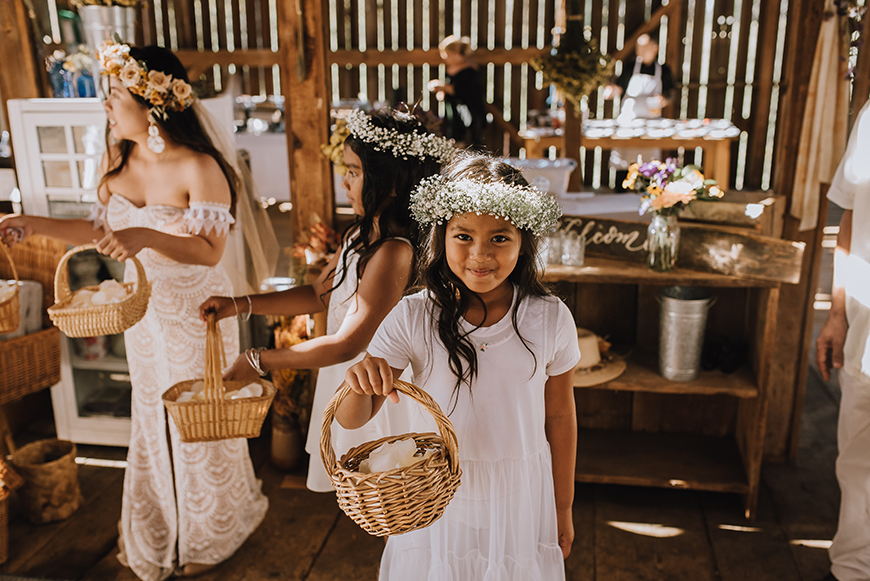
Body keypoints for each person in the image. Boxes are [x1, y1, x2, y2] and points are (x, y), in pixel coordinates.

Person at [0, 42, 269, 580]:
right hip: (144, 312)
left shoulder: (200, 165)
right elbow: (102, 233)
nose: (106, 105)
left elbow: (209, 251)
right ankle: (161, 531)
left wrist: (145, 233)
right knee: (152, 418)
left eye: (115, 95)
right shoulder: (115, 159)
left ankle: (213, 531)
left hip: (200, 313)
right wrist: (34, 223)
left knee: (201, 418)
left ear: (153, 105)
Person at [335, 151, 581, 579]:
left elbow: (560, 416)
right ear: (440, 235)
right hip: (435, 498)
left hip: (520, 499)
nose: (479, 254)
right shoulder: (413, 317)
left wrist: (562, 507)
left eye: (499, 238)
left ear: (524, 241)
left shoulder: (549, 317)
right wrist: (358, 380)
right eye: (463, 236)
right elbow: (351, 419)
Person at [199, 108, 453, 492]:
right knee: (363, 500)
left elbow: (348, 343)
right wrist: (240, 304)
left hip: (372, 392)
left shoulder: (394, 252)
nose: (345, 182)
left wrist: (259, 359)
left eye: (354, 171)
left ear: (391, 182)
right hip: (344, 382)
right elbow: (319, 294)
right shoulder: (358, 236)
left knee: (385, 498)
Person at [815, 99, 870, 581]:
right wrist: (836, 314)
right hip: (865, 327)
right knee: (855, 464)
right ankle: (851, 570)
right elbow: (849, 215)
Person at [603, 33, 676, 189]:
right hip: (628, 121)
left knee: (649, 162)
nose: (640, 51)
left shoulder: (663, 70)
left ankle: (646, 192)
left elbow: (671, 94)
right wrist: (611, 90)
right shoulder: (630, 67)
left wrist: (664, 100)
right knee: (623, 159)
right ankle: (620, 191)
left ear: (655, 48)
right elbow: (619, 87)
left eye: (644, 47)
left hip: (651, 124)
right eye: (638, 48)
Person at [427, 35, 488, 149]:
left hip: (469, 114)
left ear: (457, 54)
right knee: (455, 141)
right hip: (454, 115)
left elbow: (459, 91)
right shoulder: (450, 70)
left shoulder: (470, 71)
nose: (445, 59)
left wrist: (441, 86)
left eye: (447, 56)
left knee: (472, 143)